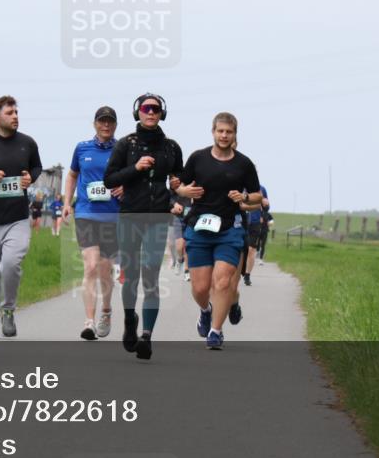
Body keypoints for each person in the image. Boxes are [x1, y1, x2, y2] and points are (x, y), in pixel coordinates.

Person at [103, 93, 183, 360]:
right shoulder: (126, 145)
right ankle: (129, 320)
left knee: (150, 276)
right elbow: (109, 179)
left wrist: (176, 192)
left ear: (162, 113)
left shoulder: (172, 148)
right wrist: (135, 168)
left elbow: (179, 183)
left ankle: (147, 335)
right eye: (147, 108)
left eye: (156, 109)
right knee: (131, 276)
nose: (151, 112)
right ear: (138, 112)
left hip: (158, 218)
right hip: (130, 217)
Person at [176, 112, 261, 350]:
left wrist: (244, 196)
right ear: (213, 132)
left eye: (229, 132)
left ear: (235, 134)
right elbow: (179, 185)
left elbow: (257, 196)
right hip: (200, 227)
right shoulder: (198, 158)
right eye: (220, 131)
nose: (224, 135)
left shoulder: (244, 164)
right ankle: (205, 310)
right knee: (200, 288)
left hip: (229, 229)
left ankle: (215, 331)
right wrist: (184, 192)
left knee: (223, 283)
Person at [0, 96, 42, 338]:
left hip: (17, 217)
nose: (15, 116)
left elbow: (36, 167)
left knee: (11, 264)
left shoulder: (27, 143)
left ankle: (9, 310)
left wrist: (30, 179)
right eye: (10, 112)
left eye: (16, 112)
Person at [63, 106, 122, 340]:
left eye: (110, 122)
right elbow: (72, 175)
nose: (105, 125)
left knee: (105, 270)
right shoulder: (82, 148)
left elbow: (132, 176)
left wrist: (125, 187)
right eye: (102, 121)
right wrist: (67, 202)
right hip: (86, 213)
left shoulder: (122, 149)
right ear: (95, 124)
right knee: (90, 266)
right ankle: (89, 321)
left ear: (115, 125)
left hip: (112, 216)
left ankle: (106, 311)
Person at [244, 187, 270, 283]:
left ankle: (247, 275)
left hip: (255, 223)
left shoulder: (262, 189)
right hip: (241, 221)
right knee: (240, 249)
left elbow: (266, 208)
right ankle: (236, 272)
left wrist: (265, 204)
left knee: (252, 249)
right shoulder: (239, 185)